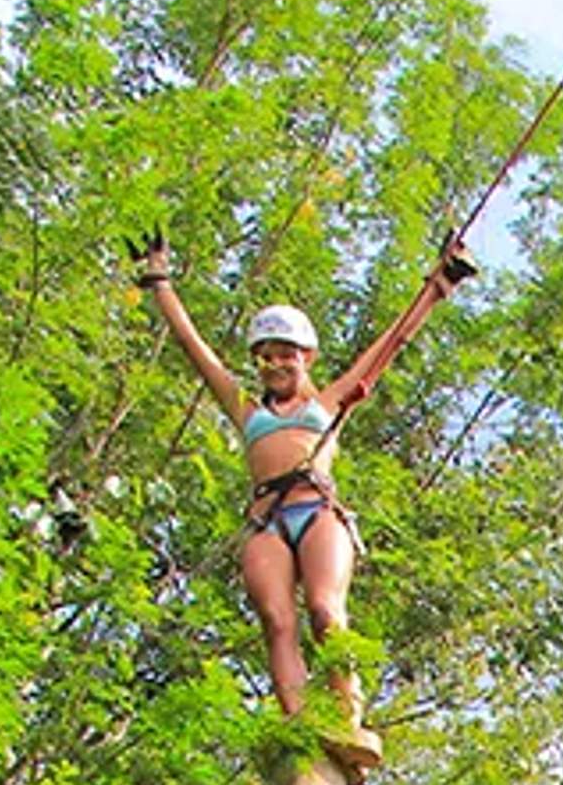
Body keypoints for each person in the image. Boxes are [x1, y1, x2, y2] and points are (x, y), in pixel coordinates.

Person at [133, 230, 475, 748]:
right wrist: (160, 283)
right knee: (276, 618)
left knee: (324, 609)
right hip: (267, 519)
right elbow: (194, 349)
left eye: (286, 355)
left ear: (306, 358)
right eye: (266, 357)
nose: (275, 365)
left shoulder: (329, 404)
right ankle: (297, 720)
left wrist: (438, 283)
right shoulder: (247, 409)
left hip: (316, 510)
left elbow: (390, 344)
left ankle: (344, 714)